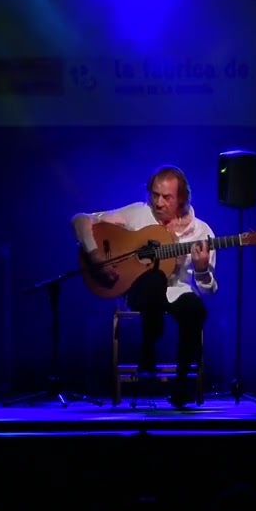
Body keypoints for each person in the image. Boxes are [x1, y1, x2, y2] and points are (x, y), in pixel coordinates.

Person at [71, 165, 216, 408]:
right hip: (139, 291)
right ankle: (148, 347)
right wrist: (96, 257)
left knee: (196, 309)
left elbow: (209, 291)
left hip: (178, 293)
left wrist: (201, 270)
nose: (158, 203)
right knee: (154, 279)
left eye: (166, 197)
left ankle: (181, 388)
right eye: (154, 194)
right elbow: (80, 220)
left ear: (181, 198)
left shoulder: (202, 232)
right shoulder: (138, 214)